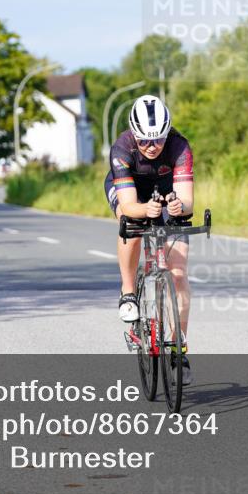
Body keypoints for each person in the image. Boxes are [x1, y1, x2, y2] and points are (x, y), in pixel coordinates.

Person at [104, 94, 195, 384]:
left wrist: (179, 206)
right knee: (131, 221)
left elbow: (188, 201)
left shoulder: (180, 147)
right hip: (131, 190)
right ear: (134, 134)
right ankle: (129, 290)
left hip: (166, 189)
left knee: (178, 275)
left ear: (167, 133)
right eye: (144, 140)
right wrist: (145, 210)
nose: (151, 147)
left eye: (157, 140)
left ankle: (178, 347)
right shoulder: (122, 148)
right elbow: (130, 205)